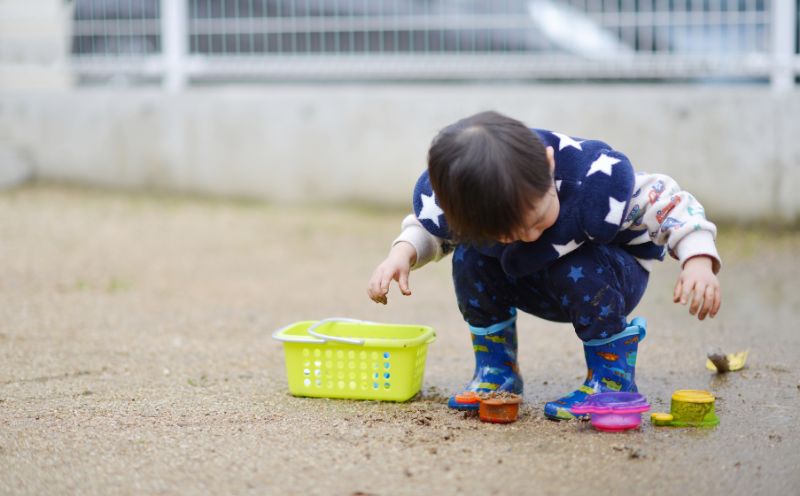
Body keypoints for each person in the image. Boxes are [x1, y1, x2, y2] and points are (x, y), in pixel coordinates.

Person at [366, 111, 721, 420]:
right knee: (470, 256)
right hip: (532, 277)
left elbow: (668, 202)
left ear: (549, 165)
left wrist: (697, 258)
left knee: (576, 261)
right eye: (506, 233)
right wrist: (403, 253)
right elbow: (436, 228)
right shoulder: (473, 203)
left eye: (536, 219)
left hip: (609, 277)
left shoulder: (593, 183)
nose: (527, 234)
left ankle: (611, 381)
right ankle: (497, 371)